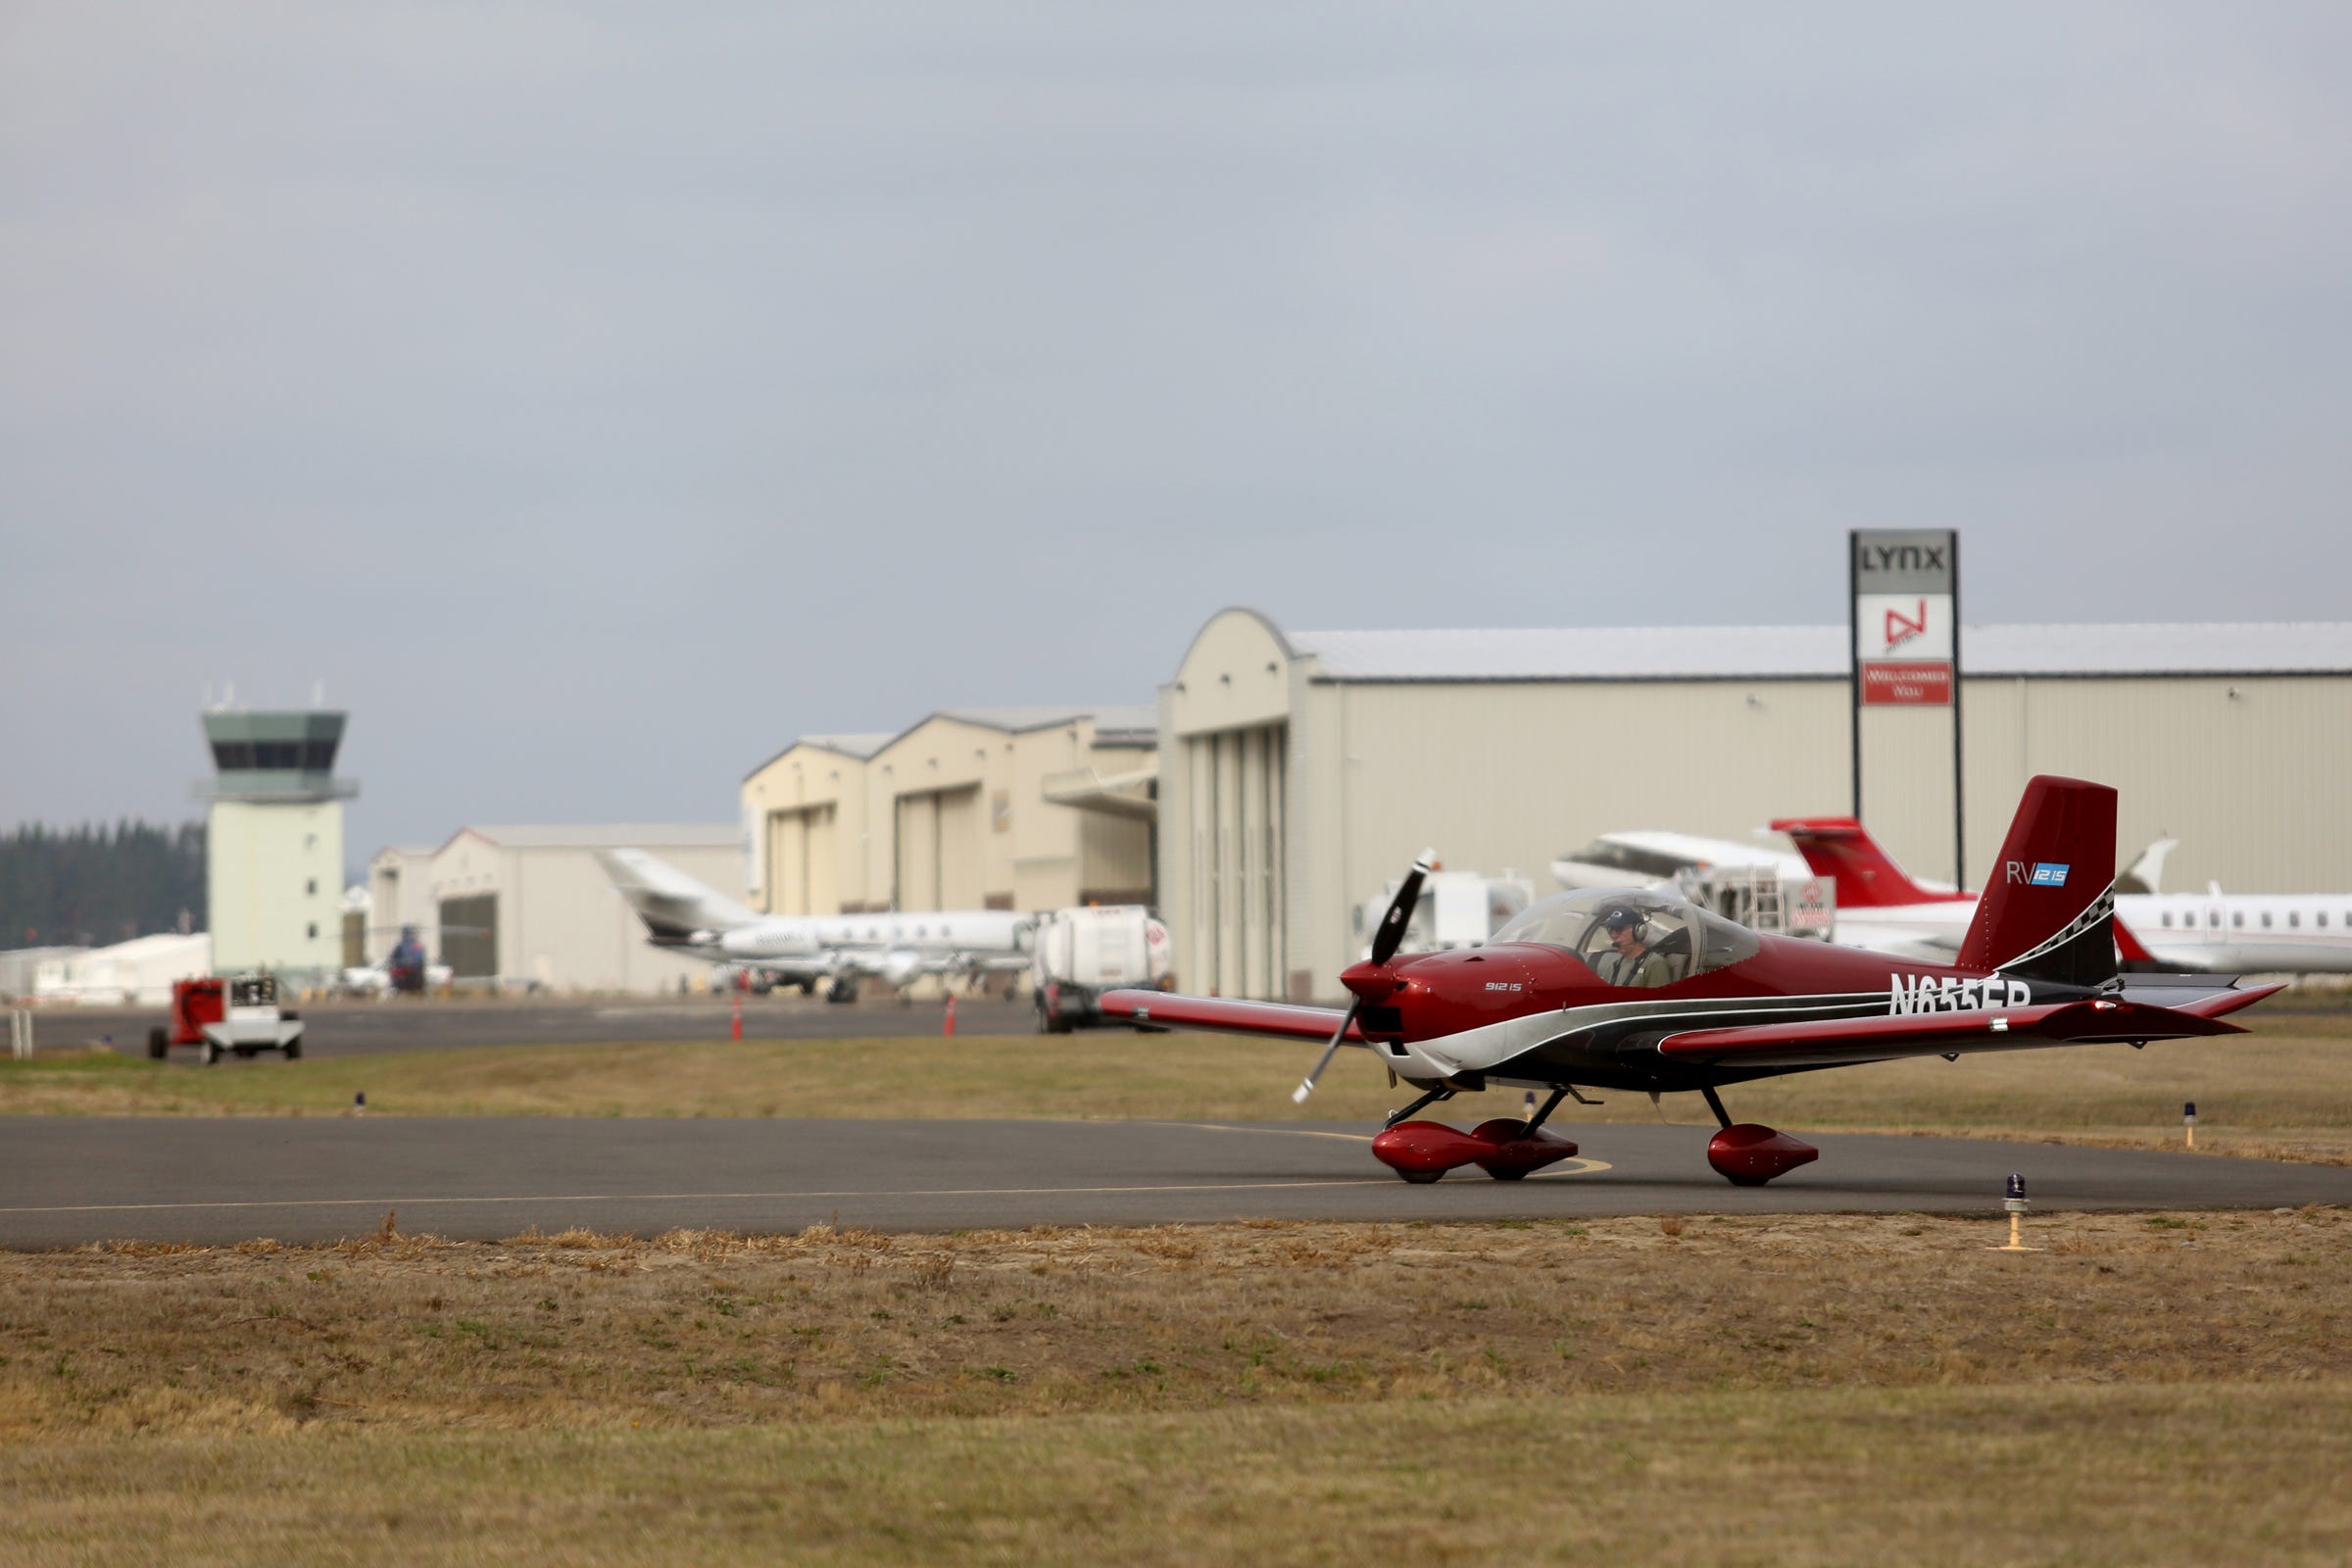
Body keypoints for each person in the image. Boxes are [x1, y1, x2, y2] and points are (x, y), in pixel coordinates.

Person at [1593, 906, 1671, 988]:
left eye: (1619, 929)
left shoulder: (1654, 963)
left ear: (1638, 931)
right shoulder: (1614, 966)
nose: (1613, 935)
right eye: (1610, 929)